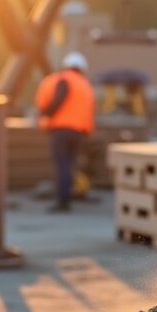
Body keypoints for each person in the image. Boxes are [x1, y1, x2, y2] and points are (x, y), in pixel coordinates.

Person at [36, 51, 96, 213]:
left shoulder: (64, 79)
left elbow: (58, 99)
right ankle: (68, 195)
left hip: (61, 129)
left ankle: (63, 201)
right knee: (69, 164)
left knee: (61, 165)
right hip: (79, 132)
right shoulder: (85, 84)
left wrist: (45, 113)